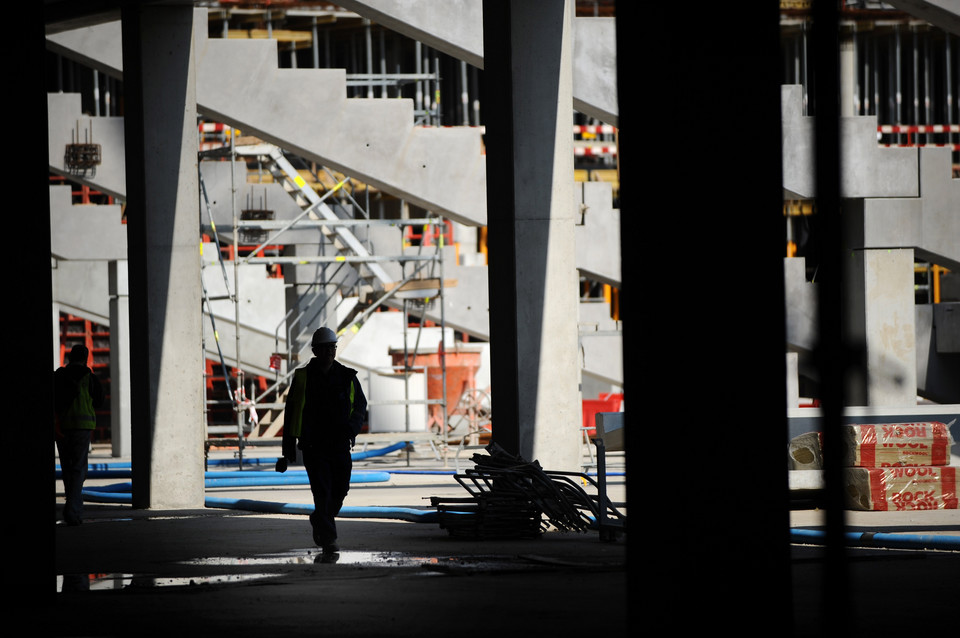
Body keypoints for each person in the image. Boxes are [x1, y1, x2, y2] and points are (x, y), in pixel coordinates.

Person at [279, 327, 367, 554]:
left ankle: (320, 518)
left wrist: (352, 429)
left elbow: (359, 406)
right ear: (315, 350)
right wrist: (287, 449)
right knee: (323, 491)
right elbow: (292, 413)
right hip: (313, 445)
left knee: (341, 489)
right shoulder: (303, 378)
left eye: (333, 347)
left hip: (339, 443)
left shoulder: (347, 376)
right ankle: (329, 539)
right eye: (326, 347)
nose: (330, 351)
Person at [54, 344, 104, 526]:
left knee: (67, 468)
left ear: (69, 358)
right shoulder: (89, 377)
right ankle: (73, 510)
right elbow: (99, 401)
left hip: (62, 427)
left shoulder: (59, 375)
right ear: (85, 358)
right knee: (78, 469)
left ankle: (72, 506)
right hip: (82, 428)